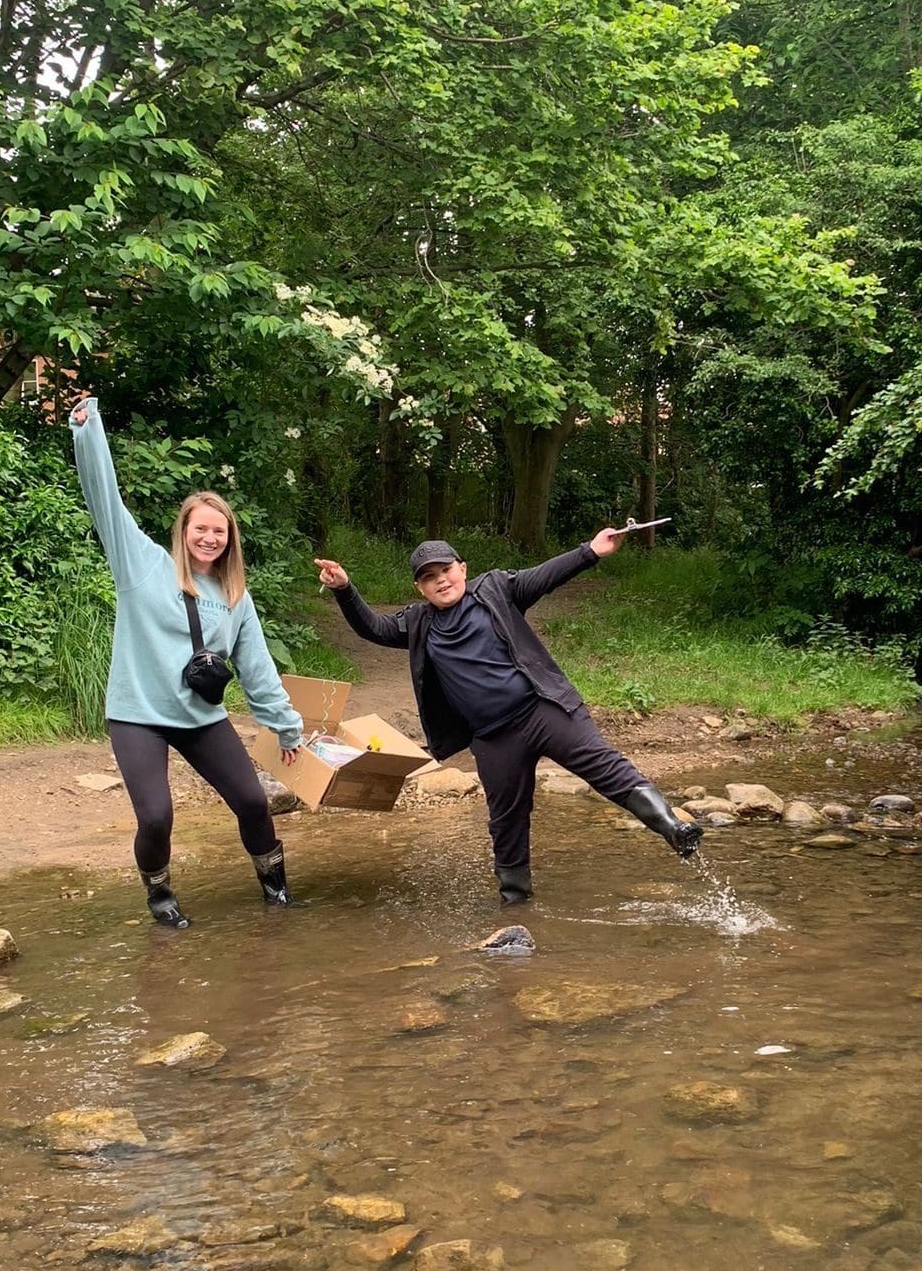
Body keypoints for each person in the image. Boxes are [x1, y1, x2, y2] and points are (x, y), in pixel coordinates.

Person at [312, 532, 702, 903]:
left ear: (462, 568)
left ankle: (673, 828)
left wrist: (590, 551)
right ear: (420, 588)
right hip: (493, 739)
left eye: (446, 570)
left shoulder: (495, 589)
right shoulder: (419, 623)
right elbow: (374, 628)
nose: (441, 580)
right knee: (507, 821)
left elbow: (545, 575)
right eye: (429, 577)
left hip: (543, 711)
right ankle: (516, 901)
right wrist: (344, 589)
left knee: (606, 768)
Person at [70, 396, 305, 928]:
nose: (209, 538)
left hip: (200, 717)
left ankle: (276, 891)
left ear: (229, 540)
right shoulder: (141, 564)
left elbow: (257, 667)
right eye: (201, 528)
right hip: (138, 715)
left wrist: (286, 728)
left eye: (219, 531)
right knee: (157, 815)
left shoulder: (235, 595)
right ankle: (159, 894)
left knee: (253, 801)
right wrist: (89, 432)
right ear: (183, 530)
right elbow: (105, 499)